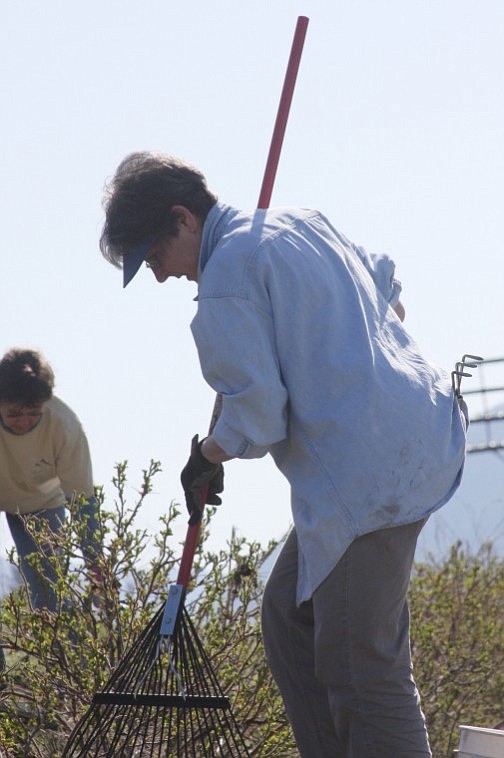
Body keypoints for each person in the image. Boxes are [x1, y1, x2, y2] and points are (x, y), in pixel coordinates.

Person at [99, 151, 468, 757]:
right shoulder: (295, 222)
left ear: (183, 219)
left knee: (361, 669)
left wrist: (208, 457)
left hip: (367, 480)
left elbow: (259, 417)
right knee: (288, 615)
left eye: (154, 257)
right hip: (416, 439)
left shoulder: (225, 284)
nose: (161, 276)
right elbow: (390, 296)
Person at [0, 348, 100, 671]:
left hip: (43, 503)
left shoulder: (64, 426)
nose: (24, 421)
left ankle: (69, 680)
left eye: (32, 413)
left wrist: (95, 563)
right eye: (13, 413)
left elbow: (82, 502)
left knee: (48, 594)